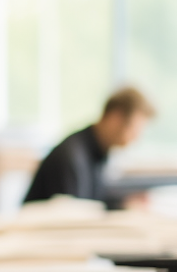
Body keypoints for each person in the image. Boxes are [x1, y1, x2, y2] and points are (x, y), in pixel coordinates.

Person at [24, 86, 157, 207]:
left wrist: (124, 203)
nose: (136, 138)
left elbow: (95, 199)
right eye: (134, 129)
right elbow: (72, 216)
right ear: (115, 118)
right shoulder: (71, 156)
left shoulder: (97, 151)